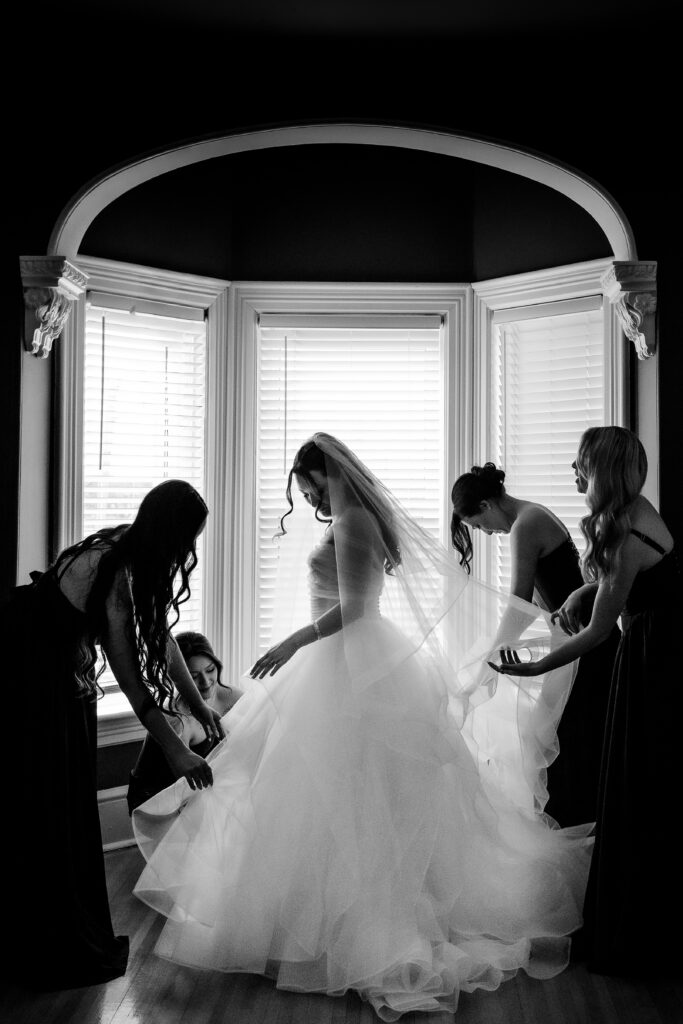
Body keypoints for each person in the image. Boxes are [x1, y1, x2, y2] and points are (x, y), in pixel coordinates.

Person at [133, 434, 593, 1020]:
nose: (309, 500)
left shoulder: (354, 522)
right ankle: (311, 913)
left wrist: (294, 641)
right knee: (324, 793)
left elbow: (356, 608)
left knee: (355, 791)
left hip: (353, 661)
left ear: (327, 473)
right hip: (342, 661)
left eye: (310, 487)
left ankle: (357, 924)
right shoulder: (352, 520)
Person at [0, 480, 222, 990]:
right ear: (168, 532)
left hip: (62, 675)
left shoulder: (134, 553)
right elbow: (130, 676)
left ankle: (64, 926)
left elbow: (161, 638)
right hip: (29, 674)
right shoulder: (113, 568)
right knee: (44, 800)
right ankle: (40, 940)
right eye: (187, 538)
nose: (188, 551)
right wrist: (176, 750)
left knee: (66, 798)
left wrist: (197, 705)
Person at [489, 427, 681, 976]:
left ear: (603, 471)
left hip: (655, 660)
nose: (574, 472)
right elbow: (622, 587)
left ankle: (640, 934)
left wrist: (538, 665)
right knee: (630, 786)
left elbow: (598, 631)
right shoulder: (631, 514)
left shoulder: (626, 532)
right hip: (648, 650)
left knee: (640, 787)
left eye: (581, 465)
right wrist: (582, 589)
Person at [451, 463, 620, 827]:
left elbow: (520, 606)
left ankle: (582, 833)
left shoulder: (524, 526)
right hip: (583, 639)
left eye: (480, 526)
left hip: (587, 644)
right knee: (572, 740)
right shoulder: (534, 514)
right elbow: (545, 604)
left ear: (486, 505)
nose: (487, 532)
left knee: (573, 744)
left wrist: (489, 659)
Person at [127, 631, 243, 813]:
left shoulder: (232, 697)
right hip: (157, 797)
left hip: (203, 785)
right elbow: (185, 786)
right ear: (179, 678)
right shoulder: (176, 719)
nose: (206, 682)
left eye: (210, 670)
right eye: (194, 676)